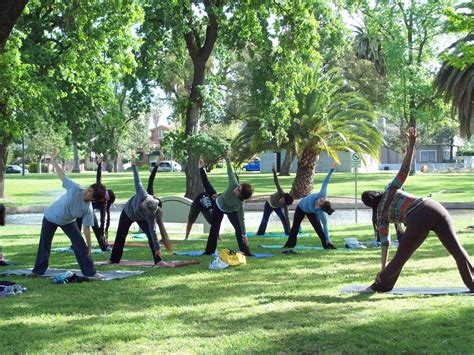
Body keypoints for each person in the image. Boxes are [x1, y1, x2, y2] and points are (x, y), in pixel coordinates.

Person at [361, 127, 473, 293]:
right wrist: (412, 143)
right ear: (376, 193)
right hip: (434, 207)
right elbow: (404, 170)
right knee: (457, 249)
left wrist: (383, 269)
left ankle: (379, 285)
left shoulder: (380, 215)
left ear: (370, 206)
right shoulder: (390, 188)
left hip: (418, 216)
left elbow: (386, 243)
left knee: (402, 255)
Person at [32, 152, 106, 277]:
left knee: (80, 245)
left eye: (92, 196)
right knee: (45, 244)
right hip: (51, 216)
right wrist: (54, 161)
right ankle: (37, 271)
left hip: (67, 222)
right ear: (90, 188)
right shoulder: (75, 188)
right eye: (90, 191)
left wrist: (89, 245)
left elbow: (87, 228)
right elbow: (62, 175)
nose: (88, 194)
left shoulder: (88, 208)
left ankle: (90, 272)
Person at [109, 156, 174, 266]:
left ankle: (158, 260)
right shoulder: (142, 193)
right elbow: (137, 179)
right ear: (144, 203)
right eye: (144, 207)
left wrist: (157, 248)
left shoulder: (150, 215)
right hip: (128, 213)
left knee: (150, 234)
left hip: (141, 218)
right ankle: (114, 259)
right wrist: (134, 165)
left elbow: (153, 232)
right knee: (121, 235)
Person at [204, 157, 254, 256]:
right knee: (214, 228)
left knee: (238, 230)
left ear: (241, 195)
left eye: (239, 190)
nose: (236, 189)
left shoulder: (239, 204)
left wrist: (244, 234)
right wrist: (227, 159)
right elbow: (230, 172)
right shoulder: (233, 184)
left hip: (231, 210)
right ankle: (209, 251)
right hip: (219, 205)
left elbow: (241, 219)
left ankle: (246, 252)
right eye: (238, 187)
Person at [283, 162, 337, 249]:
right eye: (323, 199)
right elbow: (326, 182)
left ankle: (326, 245)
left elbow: (325, 226)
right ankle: (290, 244)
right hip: (300, 208)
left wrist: (328, 238)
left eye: (321, 201)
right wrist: (332, 170)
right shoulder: (322, 194)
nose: (321, 198)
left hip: (311, 212)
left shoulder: (319, 211)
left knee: (319, 229)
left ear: (319, 206)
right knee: (295, 227)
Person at [76, 156, 116, 251]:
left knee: (96, 227)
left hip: (89, 211)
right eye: (103, 199)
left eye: (105, 201)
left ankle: (103, 246)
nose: (103, 201)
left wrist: (102, 233)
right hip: (82, 207)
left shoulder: (103, 205)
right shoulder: (98, 189)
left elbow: (104, 219)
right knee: (77, 225)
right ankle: (75, 244)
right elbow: (99, 176)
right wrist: (99, 165)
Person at [256, 163, 294, 236]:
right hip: (269, 204)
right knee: (265, 218)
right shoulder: (281, 192)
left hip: (277, 207)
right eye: (282, 200)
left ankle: (287, 232)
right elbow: (276, 182)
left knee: (283, 219)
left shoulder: (285, 206)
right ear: (283, 197)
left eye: (283, 203)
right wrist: (274, 172)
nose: (281, 202)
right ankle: (260, 233)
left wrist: (289, 230)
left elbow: (287, 217)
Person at [184, 159, 217, 240]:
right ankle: (186, 237)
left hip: (205, 208)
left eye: (215, 198)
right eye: (214, 196)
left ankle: (217, 237)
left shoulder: (217, 203)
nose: (214, 197)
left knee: (213, 222)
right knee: (191, 221)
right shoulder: (211, 191)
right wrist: (201, 168)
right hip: (197, 204)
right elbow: (205, 181)